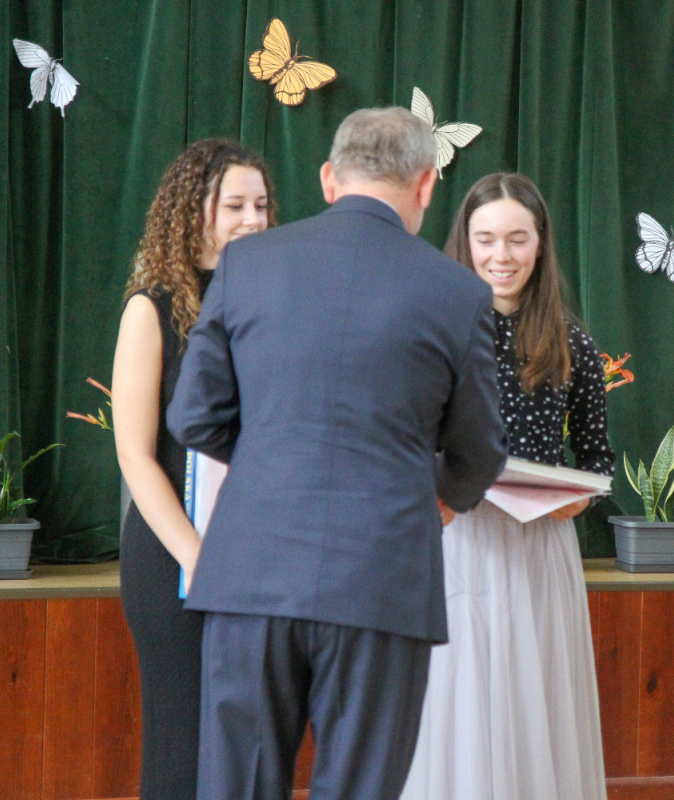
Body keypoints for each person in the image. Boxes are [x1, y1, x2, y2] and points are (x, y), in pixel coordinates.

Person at [166, 108, 507, 800]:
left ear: (328, 178)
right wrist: (438, 492)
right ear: (426, 184)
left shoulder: (246, 263)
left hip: (252, 574)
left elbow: (193, 416)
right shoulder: (460, 293)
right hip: (383, 580)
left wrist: (269, 456)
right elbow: (480, 451)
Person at [400, 172, 613, 800]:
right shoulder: (432, 330)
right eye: (486, 239)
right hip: (454, 540)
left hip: (537, 550)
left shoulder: (571, 341)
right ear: (464, 243)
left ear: (540, 244)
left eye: (517, 239)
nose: (502, 255)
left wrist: (578, 497)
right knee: (456, 698)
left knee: (531, 699)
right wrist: (434, 490)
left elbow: (597, 460)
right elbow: (404, 438)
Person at [112, 138, 273, 800]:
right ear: (190, 212)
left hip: (259, 557)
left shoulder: (275, 305)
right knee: (183, 745)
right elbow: (135, 453)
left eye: (262, 205)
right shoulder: (150, 308)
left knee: (255, 746)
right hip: (175, 558)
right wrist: (197, 558)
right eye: (234, 205)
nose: (253, 220)